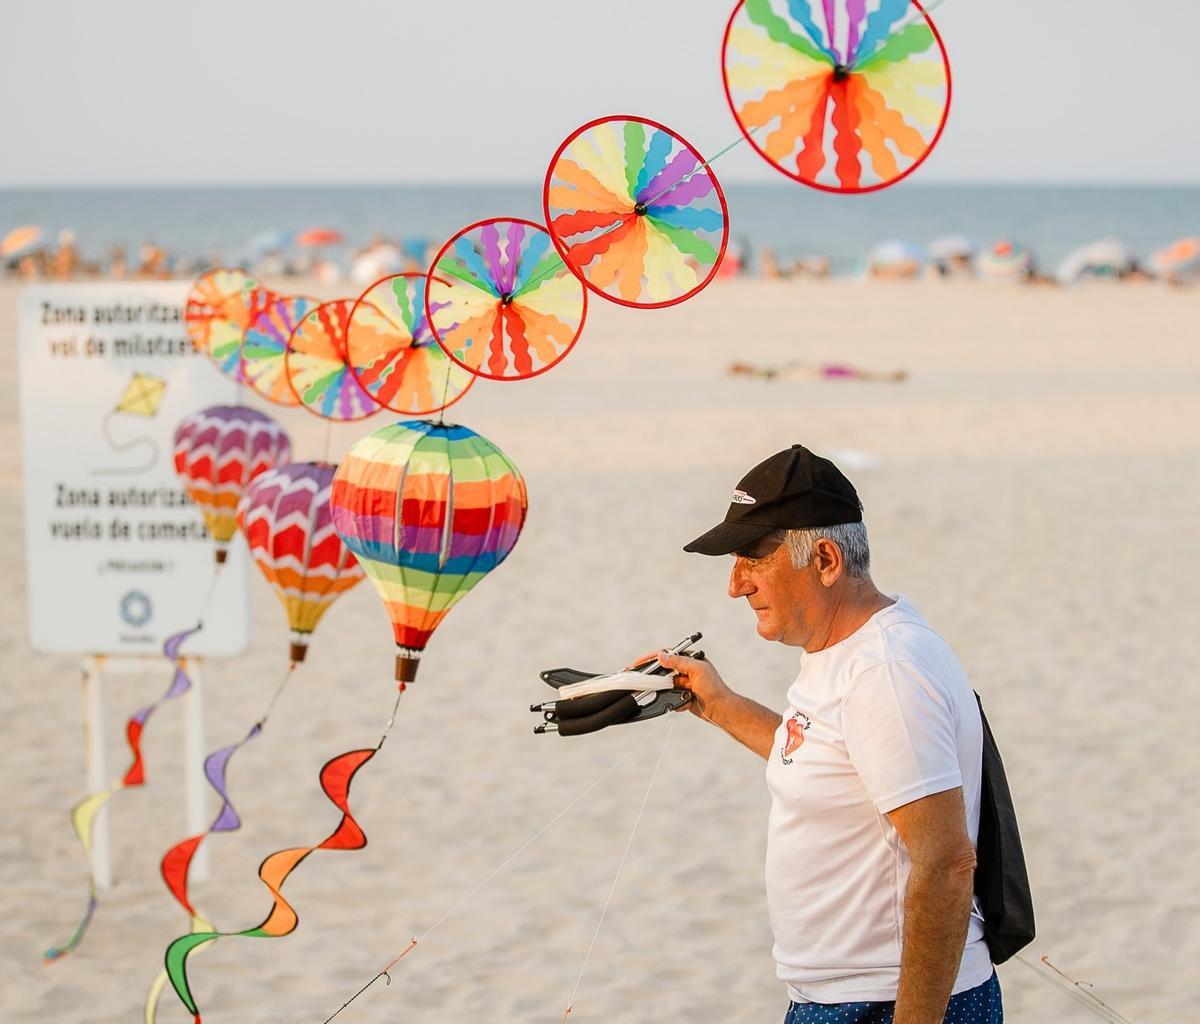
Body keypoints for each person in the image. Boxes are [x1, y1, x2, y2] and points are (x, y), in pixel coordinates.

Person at [661, 445, 1002, 1023]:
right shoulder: (844, 650)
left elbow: (946, 862)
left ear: (824, 559)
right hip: (839, 999)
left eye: (752, 558)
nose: (735, 585)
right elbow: (830, 762)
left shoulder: (885, 671)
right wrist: (718, 705)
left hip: (886, 1003)